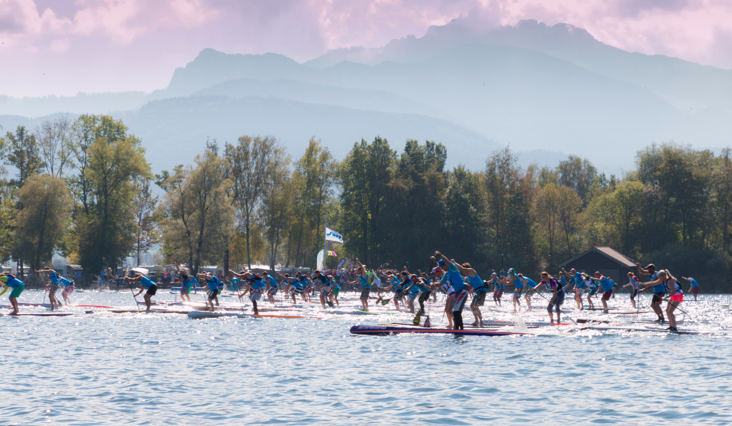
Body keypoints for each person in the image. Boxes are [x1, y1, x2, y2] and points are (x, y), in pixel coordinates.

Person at [434, 251, 470, 330]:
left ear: (445, 264)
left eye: (442, 266)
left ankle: (459, 329)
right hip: (458, 292)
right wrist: (433, 284)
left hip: (463, 290)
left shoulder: (452, 268)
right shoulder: (446, 274)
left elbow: (447, 261)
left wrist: (440, 255)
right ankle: (458, 329)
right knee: (455, 312)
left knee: (456, 311)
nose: (442, 268)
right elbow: (440, 284)